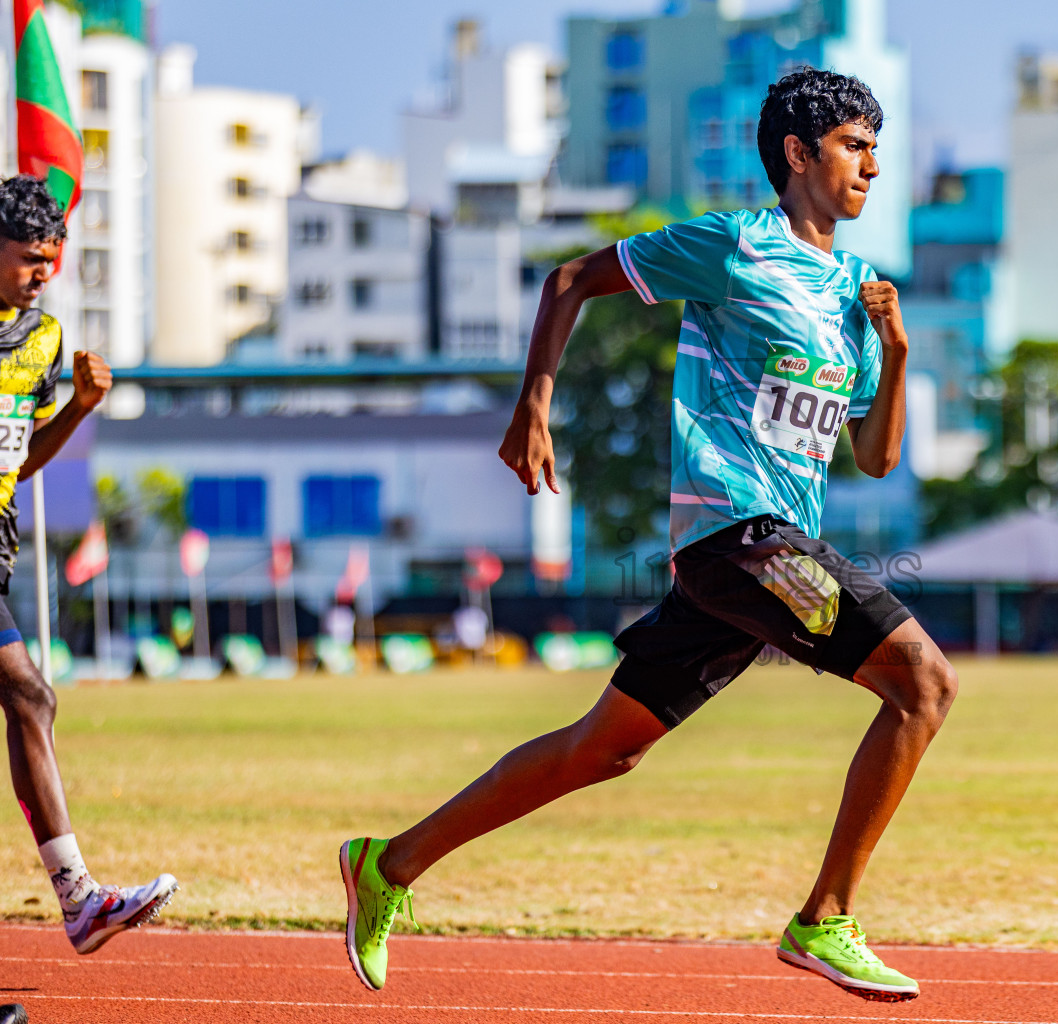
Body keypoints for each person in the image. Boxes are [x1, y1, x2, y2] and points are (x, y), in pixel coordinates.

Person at [340, 69, 957, 1002]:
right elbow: (570, 279)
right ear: (797, 154)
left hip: (763, 551)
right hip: (741, 537)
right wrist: (534, 404)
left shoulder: (860, 294)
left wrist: (899, 351)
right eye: (852, 146)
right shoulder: (736, 246)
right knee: (923, 683)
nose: (872, 164)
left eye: (877, 146)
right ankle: (826, 919)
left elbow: (874, 456)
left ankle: (388, 865)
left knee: (604, 750)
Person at [0, 176, 177, 953]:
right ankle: (79, 899)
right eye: (30, 258)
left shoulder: (42, 338)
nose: (46, 272)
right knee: (30, 695)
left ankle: (79, 902)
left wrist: (75, 408)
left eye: (54, 257)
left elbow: (21, 459)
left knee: (30, 702)